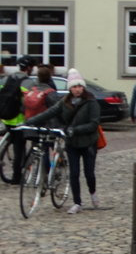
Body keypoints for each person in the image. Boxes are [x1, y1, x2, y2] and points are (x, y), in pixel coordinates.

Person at [25, 68, 100, 214]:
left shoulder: (91, 102)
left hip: (89, 143)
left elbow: (94, 124)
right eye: (74, 86)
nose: (77, 89)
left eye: (79, 86)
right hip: (72, 143)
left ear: (83, 87)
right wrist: (30, 121)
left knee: (89, 173)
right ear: (70, 88)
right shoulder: (65, 102)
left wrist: (75, 130)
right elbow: (49, 112)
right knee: (74, 173)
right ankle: (77, 202)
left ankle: (93, 192)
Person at [0, 55, 38, 183]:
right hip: (19, 120)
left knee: (12, 142)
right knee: (19, 150)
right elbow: (30, 102)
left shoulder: (6, 79)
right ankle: (16, 177)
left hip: (5, 117)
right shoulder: (28, 82)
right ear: (29, 68)